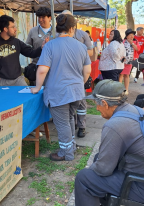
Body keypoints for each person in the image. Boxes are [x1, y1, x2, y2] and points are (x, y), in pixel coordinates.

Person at [74, 79, 144, 206]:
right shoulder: (134, 109)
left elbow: (103, 169)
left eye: (97, 104)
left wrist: (93, 169)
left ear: (105, 103)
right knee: (97, 158)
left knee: (84, 178)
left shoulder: (115, 125)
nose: (97, 108)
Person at [31, 14, 91, 161]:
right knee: (69, 118)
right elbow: (87, 71)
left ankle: (66, 153)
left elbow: (42, 70)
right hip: (77, 91)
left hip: (58, 92)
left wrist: (37, 87)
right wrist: (79, 83)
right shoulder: (81, 46)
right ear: (72, 28)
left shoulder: (50, 45)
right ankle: (71, 146)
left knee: (63, 122)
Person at [0, 15, 46, 87]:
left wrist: (41, 47)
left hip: (18, 80)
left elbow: (31, 53)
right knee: (5, 99)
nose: (15, 29)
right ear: (5, 29)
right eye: (13, 27)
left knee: (26, 96)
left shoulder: (16, 42)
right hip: (2, 81)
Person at [62, 10, 93, 138]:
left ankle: (82, 127)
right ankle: (72, 124)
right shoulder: (59, 34)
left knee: (81, 101)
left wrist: (77, 53)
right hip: (64, 73)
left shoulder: (82, 34)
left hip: (80, 72)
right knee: (68, 100)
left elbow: (90, 52)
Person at [25, 7, 53, 85]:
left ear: (50, 18)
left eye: (43, 17)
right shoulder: (33, 31)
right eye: (39, 17)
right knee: (38, 91)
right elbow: (27, 48)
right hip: (36, 67)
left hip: (53, 68)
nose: (40, 20)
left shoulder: (56, 31)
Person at [119, 29, 140, 94]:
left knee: (127, 75)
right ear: (127, 36)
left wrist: (132, 43)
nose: (132, 36)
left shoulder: (135, 41)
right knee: (121, 75)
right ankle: (119, 89)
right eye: (130, 35)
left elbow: (138, 49)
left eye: (133, 35)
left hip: (130, 61)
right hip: (122, 61)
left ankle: (126, 90)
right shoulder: (122, 41)